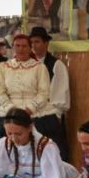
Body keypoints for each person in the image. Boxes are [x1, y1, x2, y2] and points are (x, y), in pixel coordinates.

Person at [0, 33, 62, 155]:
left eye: (24, 46)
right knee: (9, 151)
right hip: (9, 111)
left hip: (37, 112)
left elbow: (44, 91)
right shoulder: (4, 66)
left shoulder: (39, 67)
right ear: (13, 47)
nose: (21, 49)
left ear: (30, 48)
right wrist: (11, 109)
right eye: (17, 45)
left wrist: (30, 108)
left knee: (41, 150)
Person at [30, 26, 71, 159]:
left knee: (54, 155)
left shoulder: (56, 65)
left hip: (49, 117)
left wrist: (55, 116)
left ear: (46, 43)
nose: (34, 46)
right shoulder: (27, 65)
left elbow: (61, 93)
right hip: (30, 116)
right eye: (32, 42)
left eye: (37, 42)